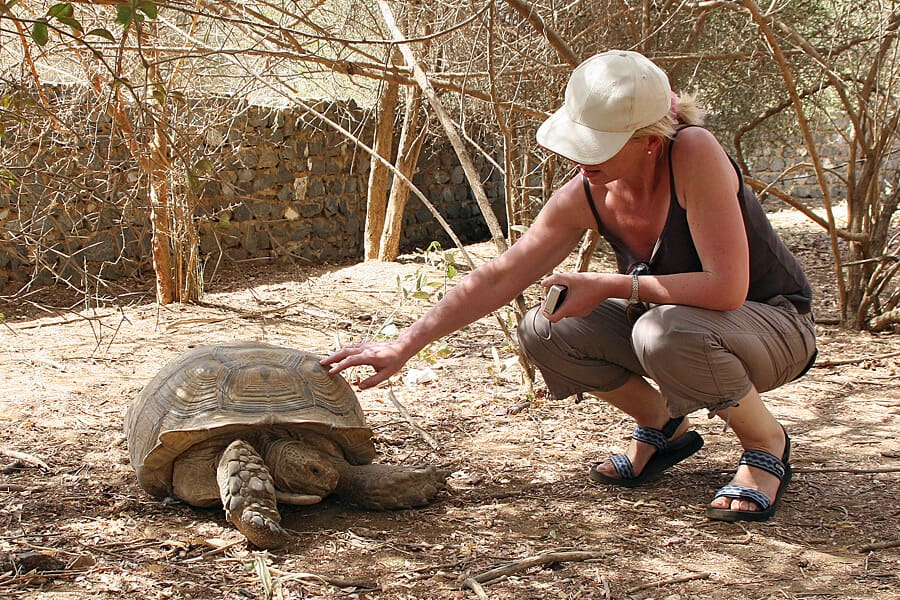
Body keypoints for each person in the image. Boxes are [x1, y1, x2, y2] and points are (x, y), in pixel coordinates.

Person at [322, 50, 817, 523]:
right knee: (546, 328)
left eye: (598, 143)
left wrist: (610, 284)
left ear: (649, 140)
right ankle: (665, 427)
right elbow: (501, 274)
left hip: (772, 326)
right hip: (686, 326)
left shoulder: (692, 151)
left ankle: (764, 444)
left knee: (662, 333)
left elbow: (727, 288)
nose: (580, 156)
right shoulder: (589, 188)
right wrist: (405, 345)